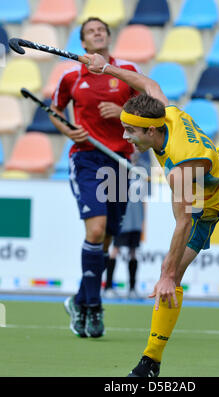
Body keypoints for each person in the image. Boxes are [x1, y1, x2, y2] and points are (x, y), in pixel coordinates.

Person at [85, 52, 219, 376]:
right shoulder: (165, 112)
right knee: (214, 158)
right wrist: (106, 68)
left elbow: (185, 220)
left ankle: (150, 361)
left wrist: (166, 273)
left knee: (174, 277)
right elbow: (149, 83)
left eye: (130, 132)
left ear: (152, 131)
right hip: (204, 163)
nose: (125, 137)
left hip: (209, 204)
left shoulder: (182, 166)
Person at [49, 17, 141, 338]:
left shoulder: (126, 71)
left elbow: (150, 107)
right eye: (90, 32)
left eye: (101, 29)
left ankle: (79, 299)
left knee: (107, 238)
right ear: (84, 44)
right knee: (97, 228)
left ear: (108, 37)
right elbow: (54, 110)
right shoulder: (71, 76)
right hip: (86, 159)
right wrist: (67, 130)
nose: (97, 33)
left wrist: (123, 114)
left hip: (120, 161)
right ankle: (94, 306)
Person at [105, 151, 151, 299]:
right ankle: (108, 287)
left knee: (133, 252)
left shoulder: (142, 172)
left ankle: (132, 289)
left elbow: (144, 198)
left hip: (135, 220)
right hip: (122, 219)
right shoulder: (120, 170)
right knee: (115, 250)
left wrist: (143, 221)